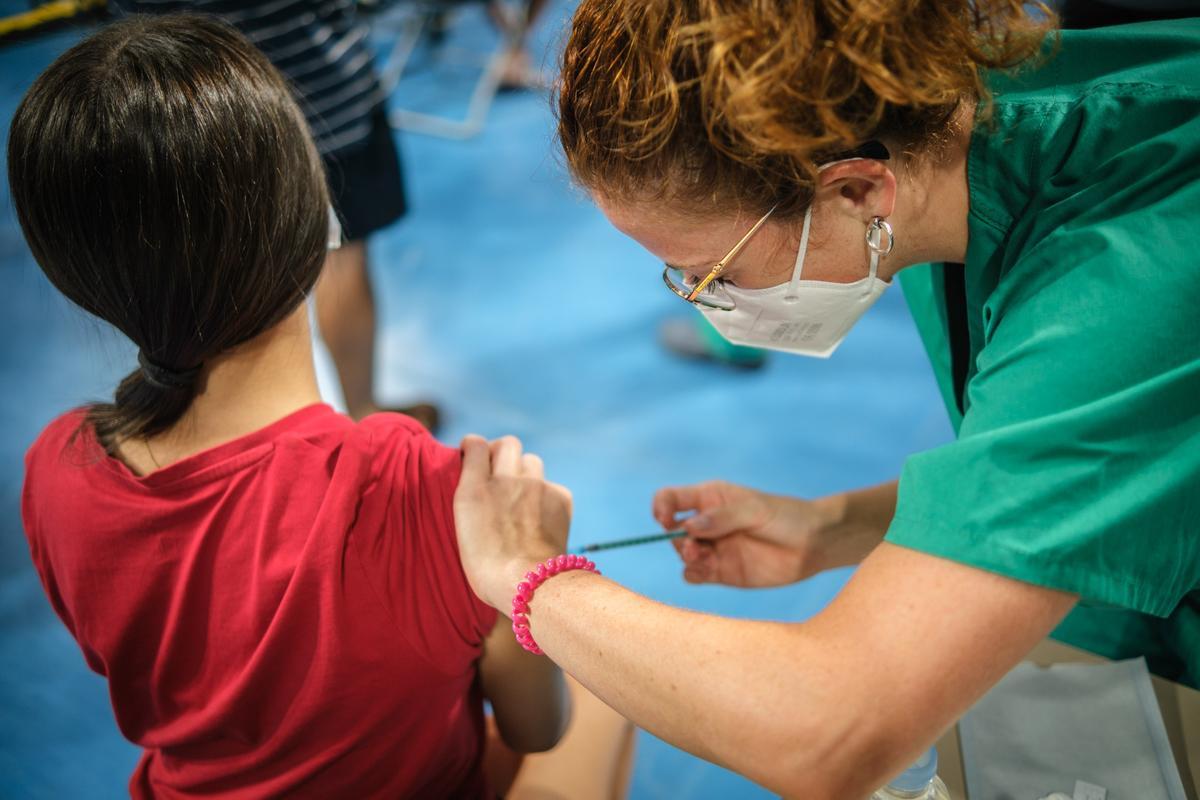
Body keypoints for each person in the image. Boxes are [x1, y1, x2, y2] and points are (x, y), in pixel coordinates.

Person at [452, 0, 1200, 795]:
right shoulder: (938, 142)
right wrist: (833, 527)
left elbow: (828, 731)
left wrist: (529, 577)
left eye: (712, 276)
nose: (699, 305)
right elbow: (1065, 457)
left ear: (853, 192)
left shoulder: (1127, 267)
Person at [9, 16, 633, 797]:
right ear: (316, 217)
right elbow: (539, 728)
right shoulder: (427, 489)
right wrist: (532, 579)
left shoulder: (57, 470)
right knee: (612, 704)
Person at [111, 0, 438, 429]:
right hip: (311, 90)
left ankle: (230, 431)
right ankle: (362, 414)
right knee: (342, 254)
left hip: (180, 104)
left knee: (212, 266)